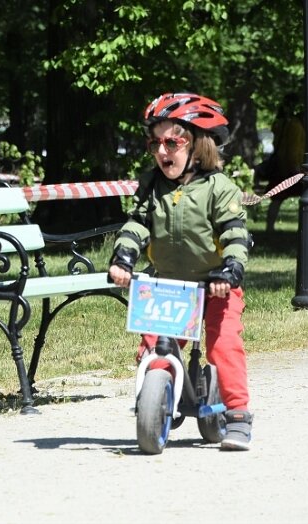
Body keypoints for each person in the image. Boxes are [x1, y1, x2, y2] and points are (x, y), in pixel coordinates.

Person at [107, 92, 253, 451]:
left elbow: (235, 233)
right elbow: (137, 225)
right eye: (155, 142)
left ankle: (237, 415)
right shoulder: (152, 185)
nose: (162, 151)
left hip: (216, 284)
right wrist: (123, 260)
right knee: (154, 347)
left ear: (198, 143)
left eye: (172, 141)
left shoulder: (219, 187)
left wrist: (230, 269)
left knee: (223, 346)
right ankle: (155, 404)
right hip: (169, 285)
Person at [263, 93, 305, 233]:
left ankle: (269, 228)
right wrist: (296, 169)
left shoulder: (279, 123)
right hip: (292, 168)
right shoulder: (295, 125)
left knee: (277, 199)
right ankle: (306, 228)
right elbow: (293, 149)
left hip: (280, 166)